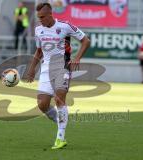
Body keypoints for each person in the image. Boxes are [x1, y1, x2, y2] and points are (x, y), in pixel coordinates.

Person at [26, 3, 90, 149]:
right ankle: (61, 122)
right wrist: (31, 69)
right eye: (38, 17)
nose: (40, 20)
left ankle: (60, 137)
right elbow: (39, 51)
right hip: (45, 69)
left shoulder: (65, 26)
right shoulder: (38, 30)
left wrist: (77, 58)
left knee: (59, 99)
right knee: (42, 105)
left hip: (63, 67)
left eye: (42, 17)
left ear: (50, 15)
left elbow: (86, 41)